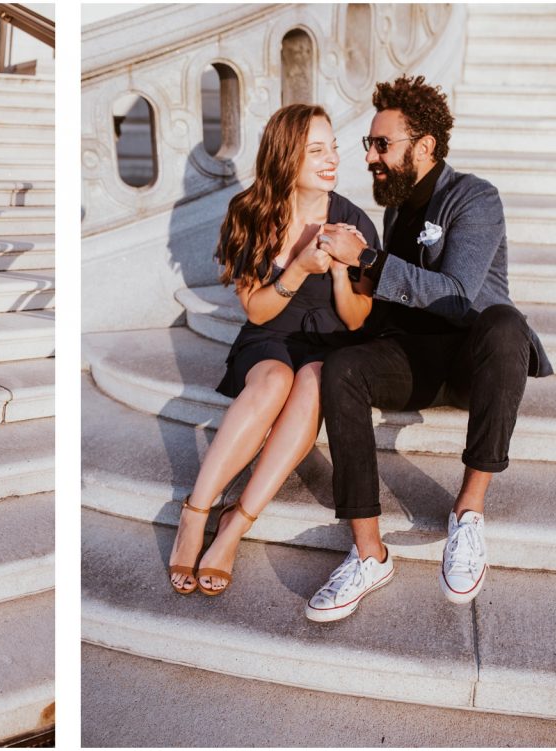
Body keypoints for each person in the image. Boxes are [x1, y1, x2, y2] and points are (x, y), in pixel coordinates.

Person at [305, 75, 552, 622]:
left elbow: (461, 292)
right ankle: (369, 553)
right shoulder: (396, 210)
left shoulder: (475, 197)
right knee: (342, 367)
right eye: (369, 144)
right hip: (413, 359)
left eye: (382, 144)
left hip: (475, 360)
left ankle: (467, 515)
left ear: (424, 147)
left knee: (506, 322)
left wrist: (369, 260)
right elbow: (391, 303)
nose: (370, 155)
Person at [168, 104, 380, 596]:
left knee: (309, 383)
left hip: (328, 340)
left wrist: (337, 272)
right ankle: (195, 514)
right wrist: (301, 268)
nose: (332, 159)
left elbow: (355, 320)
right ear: (287, 157)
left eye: (333, 148)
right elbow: (258, 312)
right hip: (268, 338)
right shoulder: (250, 212)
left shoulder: (353, 221)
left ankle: (233, 528)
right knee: (273, 380)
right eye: (316, 150)